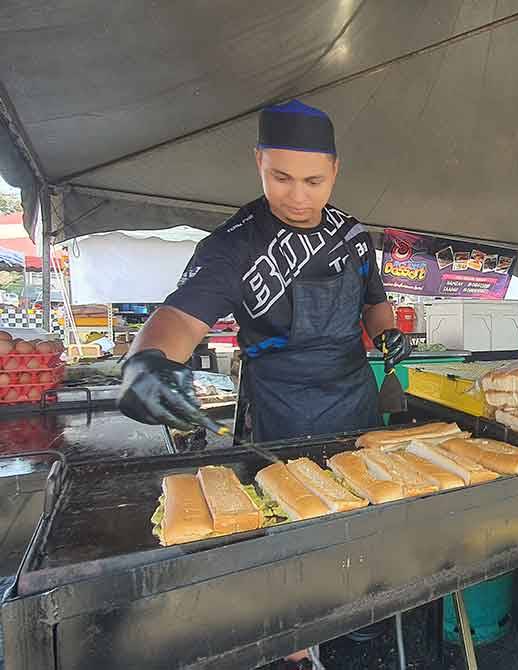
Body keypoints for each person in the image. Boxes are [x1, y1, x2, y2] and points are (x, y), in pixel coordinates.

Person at [116, 101, 412, 668]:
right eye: (280, 177)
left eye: (313, 181)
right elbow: (179, 317)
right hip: (279, 412)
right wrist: (147, 361)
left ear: (335, 171)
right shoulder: (233, 246)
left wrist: (387, 332)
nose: (297, 196)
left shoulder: (353, 236)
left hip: (352, 402)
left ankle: (359, 618)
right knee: (288, 537)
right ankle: (294, 645)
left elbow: (374, 302)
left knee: (362, 521)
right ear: (258, 163)